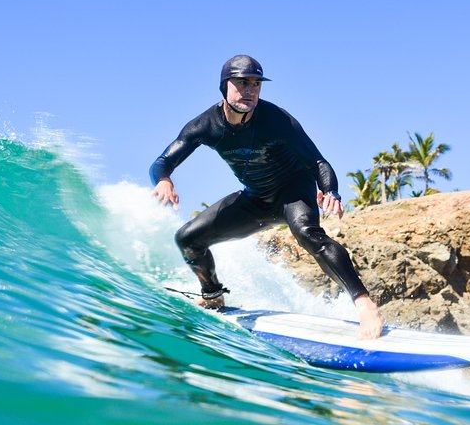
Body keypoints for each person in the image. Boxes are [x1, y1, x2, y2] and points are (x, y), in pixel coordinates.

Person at [150, 55, 383, 339]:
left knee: (310, 234)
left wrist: (330, 190)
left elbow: (318, 163)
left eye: (256, 84)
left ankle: (365, 304)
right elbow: (163, 161)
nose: (250, 90)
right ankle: (212, 294)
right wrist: (163, 180)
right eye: (242, 83)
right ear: (225, 86)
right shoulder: (205, 126)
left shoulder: (277, 120)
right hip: (255, 200)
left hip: (293, 193)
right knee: (187, 239)